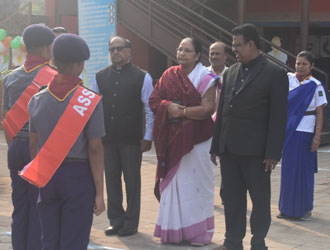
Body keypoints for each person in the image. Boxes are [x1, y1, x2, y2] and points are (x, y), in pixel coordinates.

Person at [210, 23, 288, 250]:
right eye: (232, 45)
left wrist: (273, 153)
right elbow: (223, 110)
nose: (233, 49)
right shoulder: (231, 71)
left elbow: (278, 117)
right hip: (230, 150)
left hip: (257, 152)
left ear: (251, 44)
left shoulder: (275, 73)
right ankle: (232, 242)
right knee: (231, 199)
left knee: (260, 201)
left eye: (237, 45)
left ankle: (258, 242)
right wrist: (216, 145)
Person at [26, 33, 105, 249]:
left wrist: (41, 176)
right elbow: (95, 149)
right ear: (80, 65)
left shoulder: (36, 99)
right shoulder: (89, 100)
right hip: (77, 176)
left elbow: (33, 144)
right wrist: (100, 193)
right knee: (74, 241)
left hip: (47, 174)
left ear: (54, 62)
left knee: (49, 239)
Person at [149, 37, 219, 244]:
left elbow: (208, 109)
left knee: (197, 185)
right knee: (173, 184)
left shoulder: (206, 77)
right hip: (172, 139)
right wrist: (167, 106)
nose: (181, 53)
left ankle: (198, 234)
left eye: (187, 50)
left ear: (197, 55)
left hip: (197, 140)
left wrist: (181, 111)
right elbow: (154, 100)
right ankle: (173, 231)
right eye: (180, 49)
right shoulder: (169, 75)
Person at [2, 24, 55, 250]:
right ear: (46, 47)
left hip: (15, 146)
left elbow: (5, 116)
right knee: (38, 205)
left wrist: (13, 143)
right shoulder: (54, 77)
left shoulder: (10, 77)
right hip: (40, 148)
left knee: (20, 204)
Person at [95, 36, 154, 237]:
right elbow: (93, 108)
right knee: (111, 180)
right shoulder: (100, 76)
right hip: (108, 138)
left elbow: (149, 108)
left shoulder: (142, 77)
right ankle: (116, 220)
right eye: (112, 49)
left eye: (120, 48)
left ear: (129, 51)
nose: (115, 52)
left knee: (132, 181)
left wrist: (148, 136)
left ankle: (131, 222)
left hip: (131, 139)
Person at [278, 51, 327, 221]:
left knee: (304, 171)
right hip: (289, 130)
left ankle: (304, 209)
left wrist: (317, 135)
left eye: (304, 64)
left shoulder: (316, 85)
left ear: (312, 66)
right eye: (298, 63)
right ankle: (286, 208)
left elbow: (320, 112)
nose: (300, 67)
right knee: (288, 170)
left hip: (306, 131)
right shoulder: (287, 79)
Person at [207, 41, 228, 121]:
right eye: (212, 54)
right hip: (205, 119)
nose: (214, 57)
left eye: (217, 54)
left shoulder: (232, 74)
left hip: (225, 120)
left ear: (225, 56)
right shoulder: (202, 74)